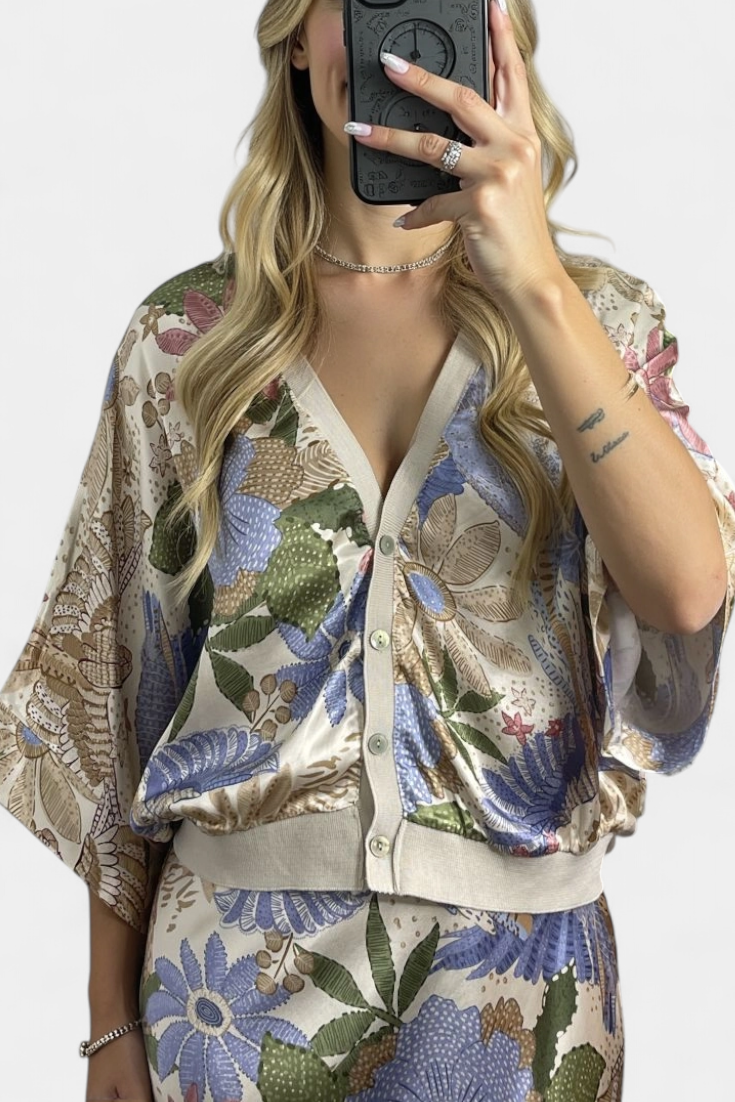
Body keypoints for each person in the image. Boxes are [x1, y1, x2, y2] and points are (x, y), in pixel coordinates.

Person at [1, 1, 733, 1099]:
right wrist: (110, 1025)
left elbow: (685, 592)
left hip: (523, 1004)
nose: (396, 41)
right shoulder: (187, 342)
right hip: (228, 1000)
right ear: (298, 33)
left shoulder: (597, 325)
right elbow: (114, 697)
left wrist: (533, 279)